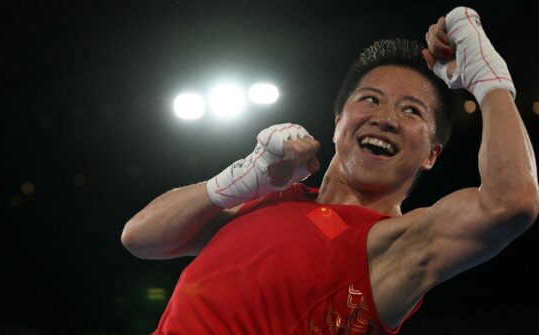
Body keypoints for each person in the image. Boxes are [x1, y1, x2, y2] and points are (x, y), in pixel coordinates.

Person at [122, 7, 539, 334]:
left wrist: (489, 82)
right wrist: (239, 178)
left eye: (410, 111)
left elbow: (511, 203)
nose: (386, 118)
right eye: (371, 100)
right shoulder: (270, 200)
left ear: (431, 155)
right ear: (338, 120)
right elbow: (140, 238)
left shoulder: (394, 244)